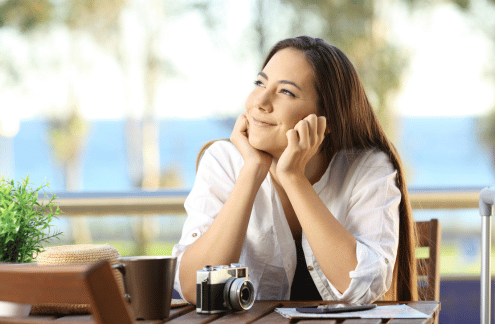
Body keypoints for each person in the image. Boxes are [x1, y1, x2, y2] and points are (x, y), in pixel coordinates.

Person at [172, 36, 417, 304]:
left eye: (286, 92)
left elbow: (362, 288)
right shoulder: (224, 161)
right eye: (260, 83)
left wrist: (294, 178)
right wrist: (252, 172)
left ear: (328, 119)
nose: (260, 102)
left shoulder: (367, 168)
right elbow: (192, 288)